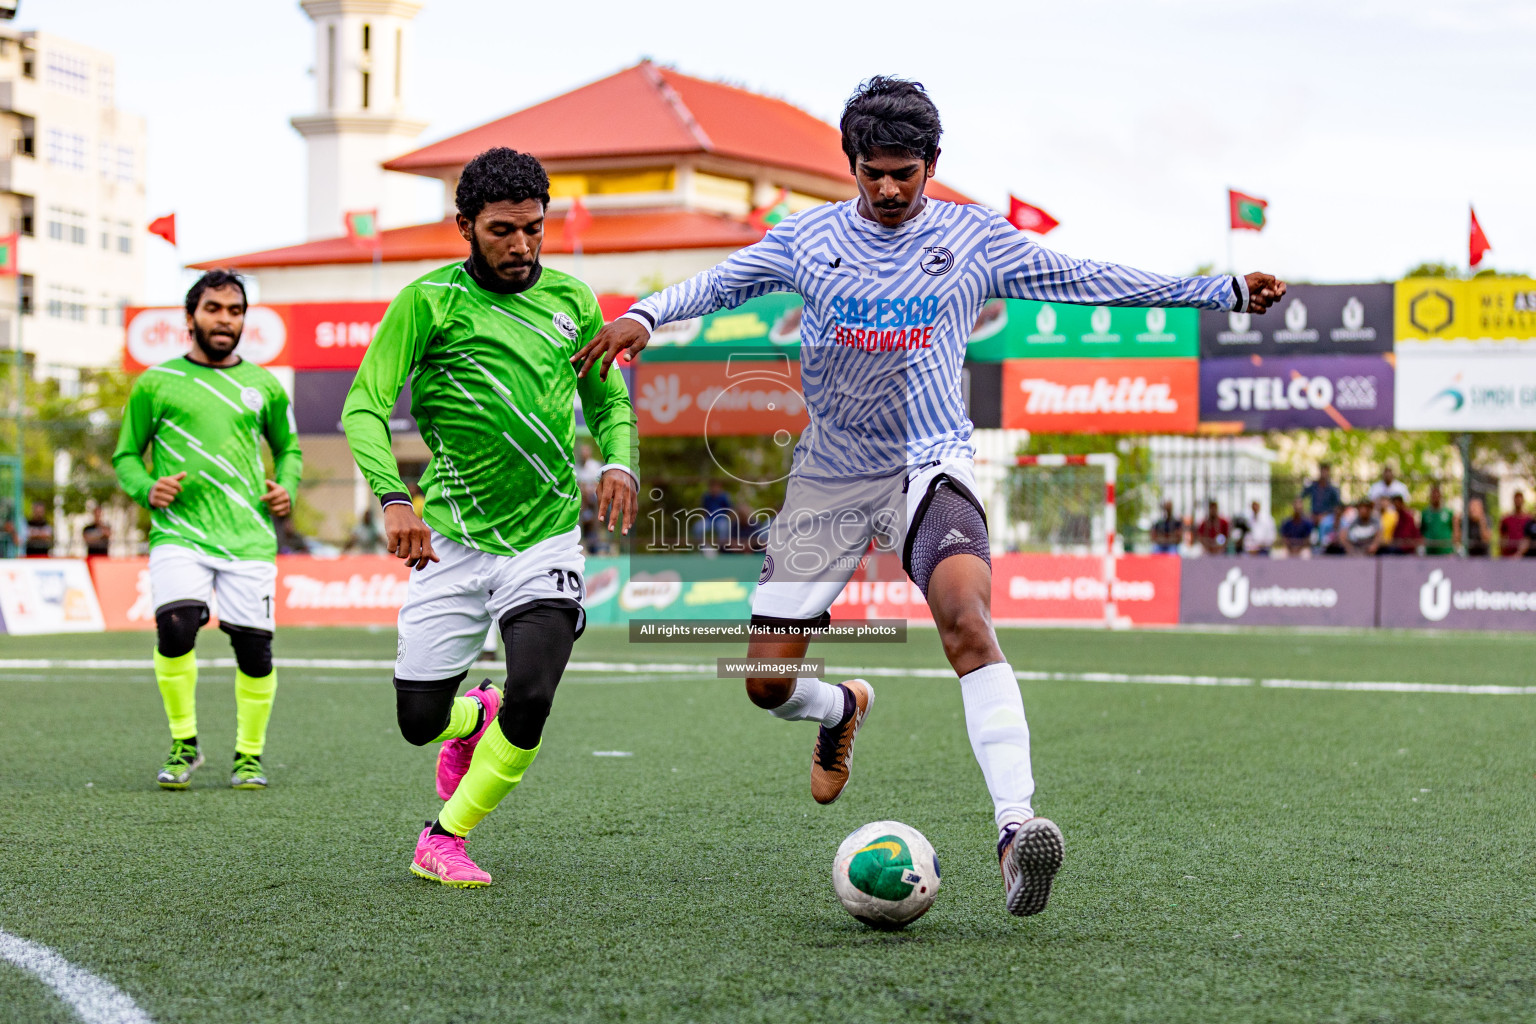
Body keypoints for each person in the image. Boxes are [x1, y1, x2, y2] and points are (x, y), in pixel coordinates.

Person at [574, 77, 1285, 918]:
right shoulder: (807, 238)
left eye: (904, 173)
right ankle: (841, 708)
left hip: (930, 463)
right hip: (832, 477)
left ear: (933, 165)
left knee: (966, 621)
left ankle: (1017, 833)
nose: (887, 188)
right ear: (851, 165)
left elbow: (1090, 278)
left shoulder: (977, 239)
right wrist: (646, 316)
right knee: (767, 685)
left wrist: (1222, 292)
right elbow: (721, 283)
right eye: (872, 172)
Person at [341, 148, 638, 888]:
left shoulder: (572, 300)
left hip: (544, 537)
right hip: (449, 541)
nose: (521, 245)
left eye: (534, 228)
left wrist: (621, 459)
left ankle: (444, 836)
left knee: (534, 693)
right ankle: (471, 719)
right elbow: (364, 407)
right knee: (418, 722)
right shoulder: (427, 302)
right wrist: (394, 497)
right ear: (465, 226)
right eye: (502, 230)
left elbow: (607, 399)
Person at [112, 269, 302, 790]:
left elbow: (289, 449)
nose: (225, 319)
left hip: (248, 538)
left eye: (235, 310)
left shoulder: (263, 384)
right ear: (190, 316)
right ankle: (184, 744)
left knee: (253, 651)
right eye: (214, 308)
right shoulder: (156, 382)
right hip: (180, 534)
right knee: (176, 629)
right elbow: (126, 455)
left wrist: (287, 485)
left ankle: (249, 755)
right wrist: (145, 488)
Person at [1419, 484, 1458, 556]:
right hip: (1430, 551)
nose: (1435, 497)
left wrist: (1455, 546)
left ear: (1441, 496)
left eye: (1437, 495)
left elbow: (1455, 531)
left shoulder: (1449, 513)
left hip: (1446, 551)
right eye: (1433, 495)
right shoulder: (1425, 513)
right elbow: (1422, 531)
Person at [1498, 491, 1530, 558]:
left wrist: (1519, 553)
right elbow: (1502, 537)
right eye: (1516, 499)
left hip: (1525, 558)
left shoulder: (1529, 520)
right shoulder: (1506, 519)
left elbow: (1529, 539)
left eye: (1520, 499)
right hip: (1508, 556)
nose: (1518, 501)